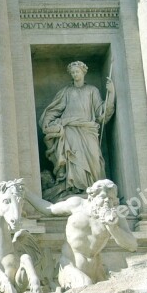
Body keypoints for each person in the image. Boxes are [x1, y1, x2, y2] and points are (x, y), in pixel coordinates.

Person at [25, 179, 137, 290]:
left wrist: (113, 228)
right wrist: (26, 193)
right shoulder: (77, 204)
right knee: (86, 287)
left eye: (111, 198)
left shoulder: (115, 215)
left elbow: (132, 245)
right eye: (103, 197)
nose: (107, 201)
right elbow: (49, 209)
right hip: (70, 265)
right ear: (92, 196)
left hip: (96, 269)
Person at [40, 61, 114, 200]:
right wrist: (48, 123)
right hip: (71, 129)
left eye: (77, 72)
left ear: (83, 72)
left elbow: (101, 113)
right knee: (74, 159)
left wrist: (111, 93)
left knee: (94, 159)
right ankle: (75, 189)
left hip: (88, 129)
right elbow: (54, 110)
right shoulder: (66, 92)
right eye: (73, 72)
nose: (75, 74)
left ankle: (94, 189)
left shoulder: (92, 90)